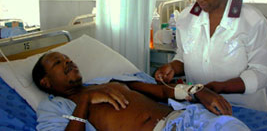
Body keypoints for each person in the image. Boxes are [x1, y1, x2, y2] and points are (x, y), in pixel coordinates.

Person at [154, 0, 267, 112]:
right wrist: (173, 68)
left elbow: (262, 72)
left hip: (244, 109)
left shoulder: (252, 22)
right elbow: (183, 56)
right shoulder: (186, 18)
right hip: (201, 107)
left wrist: (221, 87)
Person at [32, 51, 249, 131]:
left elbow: (162, 92)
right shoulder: (53, 107)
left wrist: (198, 90)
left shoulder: (108, 81)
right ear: (46, 82)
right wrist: (85, 101)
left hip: (188, 118)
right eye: (58, 63)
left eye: (68, 58)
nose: (68, 62)